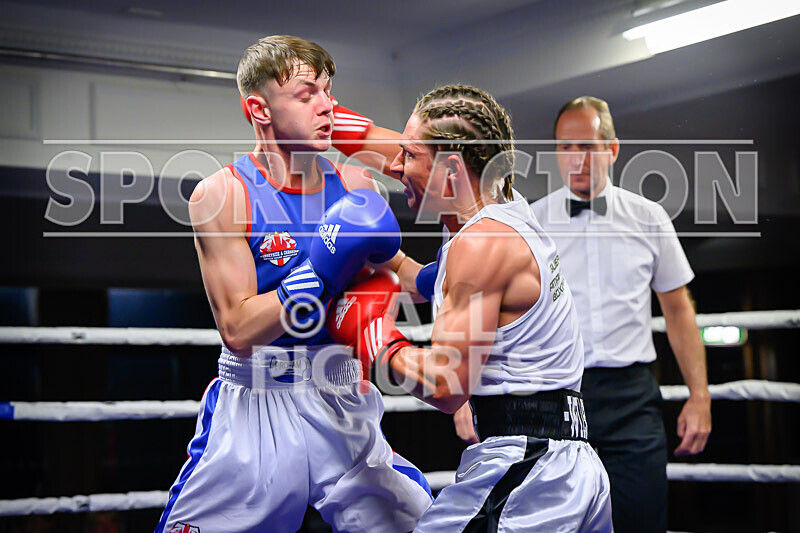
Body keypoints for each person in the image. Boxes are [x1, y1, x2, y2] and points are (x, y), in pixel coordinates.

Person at [156, 35, 432, 533]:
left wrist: (449, 274)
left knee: (414, 524)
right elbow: (238, 329)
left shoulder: (355, 186)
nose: (327, 106)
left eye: (328, 91)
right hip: (257, 401)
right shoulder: (223, 194)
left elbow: (401, 268)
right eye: (307, 95)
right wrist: (320, 271)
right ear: (258, 110)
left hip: (340, 395)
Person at [328, 84, 613, 532]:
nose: (395, 166)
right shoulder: (497, 205)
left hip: (529, 470)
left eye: (409, 156)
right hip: (562, 462)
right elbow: (429, 279)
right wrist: (325, 116)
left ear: (452, 170)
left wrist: (374, 338)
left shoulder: (480, 243)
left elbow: (446, 385)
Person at [525, 96, 712, 533]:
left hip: (632, 398)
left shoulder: (648, 217)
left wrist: (699, 395)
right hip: (557, 395)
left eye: (587, 146)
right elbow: (502, 312)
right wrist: (471, 395)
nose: (576, 159)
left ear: (611, 149)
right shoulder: (533, 222)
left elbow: (678, 310)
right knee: (557, 524)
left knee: (642, 519)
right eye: (565, 147)